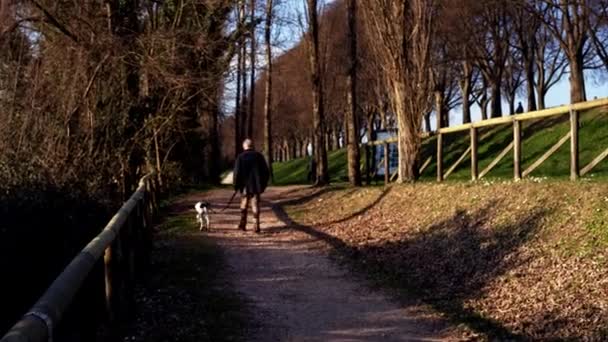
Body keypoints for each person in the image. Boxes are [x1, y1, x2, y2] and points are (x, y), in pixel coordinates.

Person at [233, 139, 270, 233]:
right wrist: (262, 185)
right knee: (255, 205)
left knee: (244, 205)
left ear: (244, 146)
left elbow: (236, 173)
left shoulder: (240, 157)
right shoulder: (259, 156)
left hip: (245, 187)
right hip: (256, 186)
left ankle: (243, 224)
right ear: (252, 146)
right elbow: (266, 172)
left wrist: (236, 185)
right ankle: (256, 225)